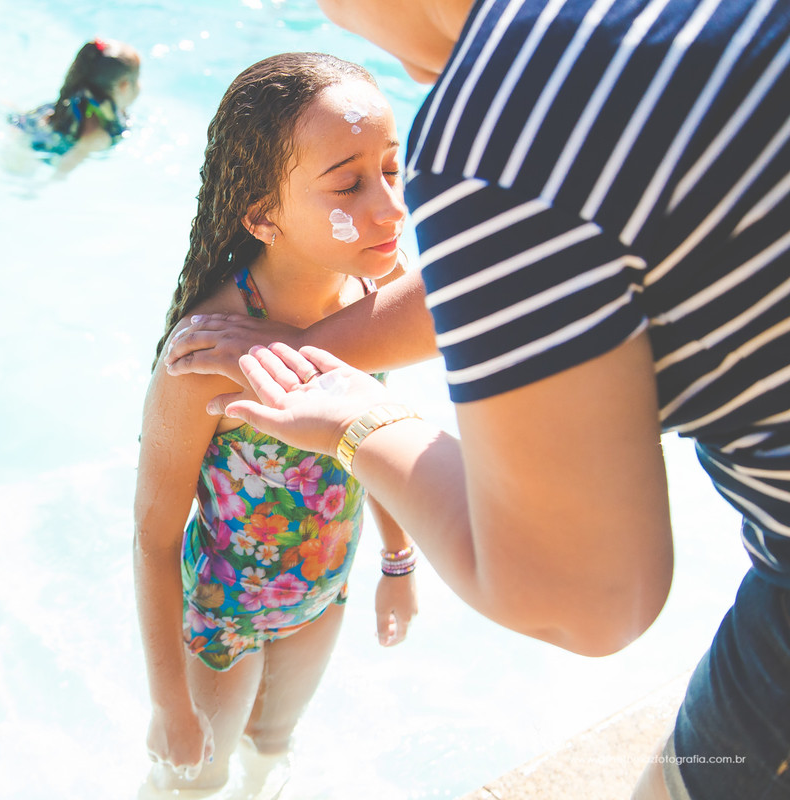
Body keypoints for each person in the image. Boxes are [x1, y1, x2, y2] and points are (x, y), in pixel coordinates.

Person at [163, 1, 790, 799]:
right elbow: (568, 236)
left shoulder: (504, 121)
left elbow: (589, 602)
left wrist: (359, 422)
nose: (341, 23)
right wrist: (308, 351)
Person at [134, 53, 420, 796]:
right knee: (195, 775)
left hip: (325, 591)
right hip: (224, 617)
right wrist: (169, 703)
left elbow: (372, 433)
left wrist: (398, 561)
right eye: (349, 184)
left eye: (392, 168)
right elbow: (154, 536)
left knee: (274, 748)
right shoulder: (204, 355)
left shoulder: (368, 292)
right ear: (262, 216)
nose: (390, 208)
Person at [5, 37, 141, 176]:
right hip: (39, 143)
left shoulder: (79, 98)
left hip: (37, 120)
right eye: (137, 79)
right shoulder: (99, 133)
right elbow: (67, 165)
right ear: (124, 86)